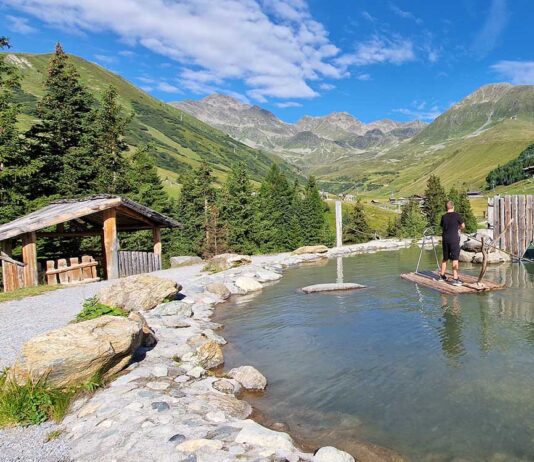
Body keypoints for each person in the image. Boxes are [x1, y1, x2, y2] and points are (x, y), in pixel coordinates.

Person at [439, 200, 465, 286]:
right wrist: (458, 228)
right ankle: (455, 279)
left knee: (445, 258)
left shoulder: (443, 217)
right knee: (455, 259)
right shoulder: (457, 215)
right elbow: (463, 226)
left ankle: (442, 276)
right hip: (454, 239)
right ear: (453, 207)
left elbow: (443, 226)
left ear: (446, 207)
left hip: (445, 239)